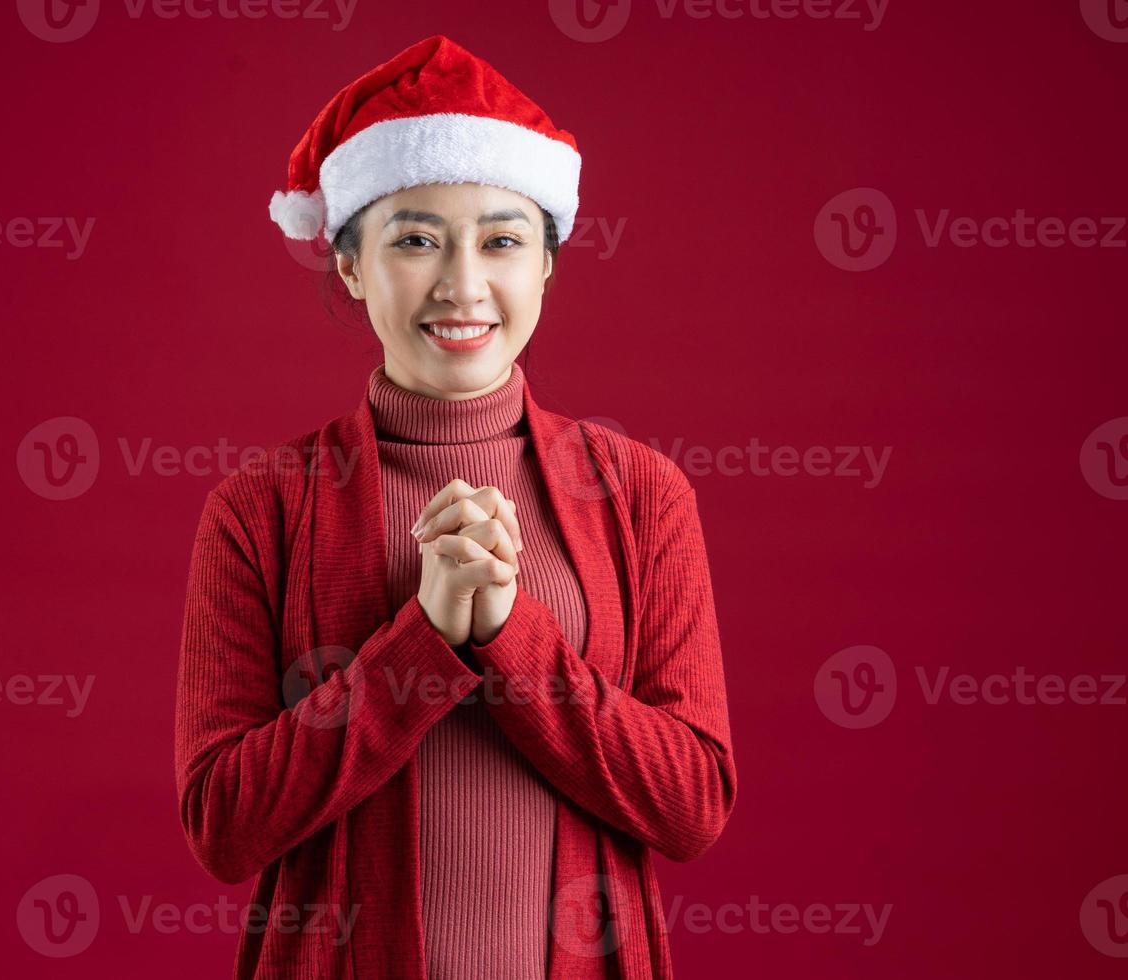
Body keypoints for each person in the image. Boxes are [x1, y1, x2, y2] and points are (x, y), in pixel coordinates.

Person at [173, 33, 738, 980]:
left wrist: (511, 636)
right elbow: (225, 827)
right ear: (351, 266)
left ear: (548, 265)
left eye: (504, 241)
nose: (463, 284)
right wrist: (423, 641)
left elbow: (691, 806)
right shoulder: (258, 509)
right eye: (416, 239)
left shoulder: (641, 494)